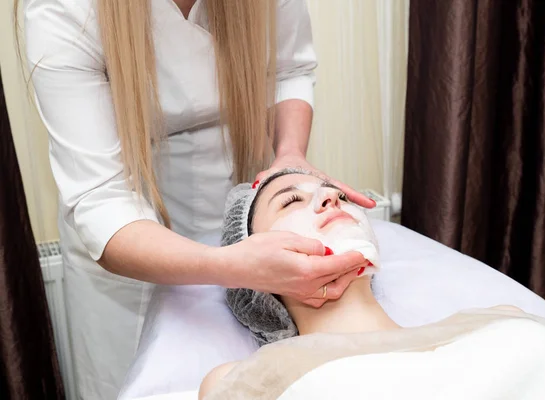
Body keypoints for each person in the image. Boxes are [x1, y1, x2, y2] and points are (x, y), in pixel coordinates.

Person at [19, 0, 374, 398]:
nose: (325, 201)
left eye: (294, 199)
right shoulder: (65, 9)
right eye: (293, 200)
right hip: (122, 236)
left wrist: (289, 155)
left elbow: (290, 69)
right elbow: (102, 200)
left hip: (238, 181)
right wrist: (232, 266)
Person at [199, 169, 545, 399]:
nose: (329, 198)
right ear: (253, 274)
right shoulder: (253, 377)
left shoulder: (500, 321)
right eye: (290, 202)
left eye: (334, 192)